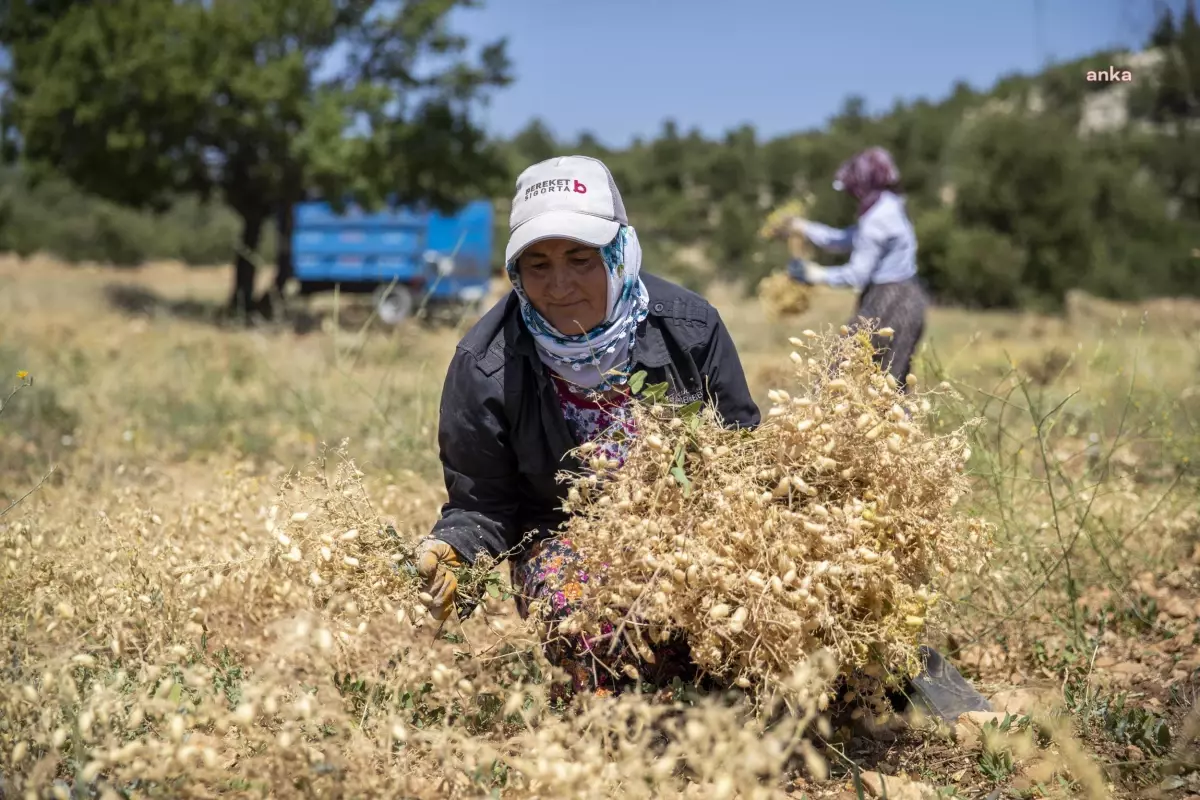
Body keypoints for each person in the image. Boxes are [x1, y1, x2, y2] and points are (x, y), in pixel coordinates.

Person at [413, 154, 761, 699]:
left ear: (619, 252)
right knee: (596, 623)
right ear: (516, 273)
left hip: (689, 533)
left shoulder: (689, 329)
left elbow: (743, 455)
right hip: (563, 542)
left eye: (581, 259)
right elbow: (483, 505)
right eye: (538, 264)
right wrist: (456, 552)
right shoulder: (484, 365)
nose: (558, 286)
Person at [781, 147, 929, 393]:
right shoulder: (889, 205)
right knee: (890, 385)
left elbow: (855, 275)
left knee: (839, 374)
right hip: (909, 299)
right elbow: (846, 239)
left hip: (890, 302)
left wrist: (814, 274)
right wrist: (803, 227)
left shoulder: (877, 219)